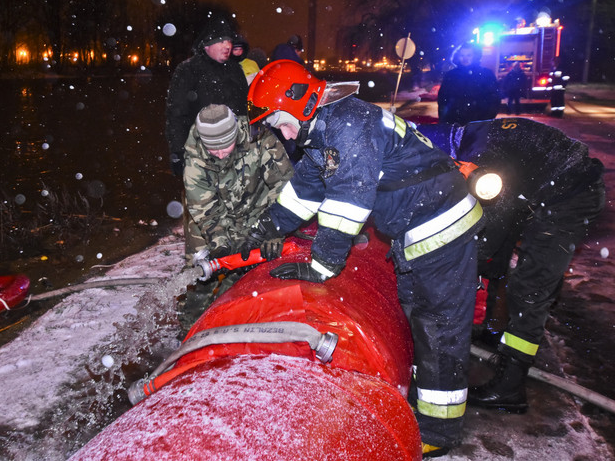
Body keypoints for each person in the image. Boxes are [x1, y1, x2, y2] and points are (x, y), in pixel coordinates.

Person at [241, 60, 484, 457]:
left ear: (300, 105)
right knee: (420, 319)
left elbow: (347, 205)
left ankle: (439, 432)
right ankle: (426, 398)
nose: (282, 133)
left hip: (441, 226)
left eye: (280, 122)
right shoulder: (325, 129)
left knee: (438, 326)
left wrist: (322, 265)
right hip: (417, 226)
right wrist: (265, 228)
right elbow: (303, 191)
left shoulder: (348, 125)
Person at [416, 118, 605, 414]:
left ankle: (510, 387)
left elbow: (488, 230)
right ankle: (494, 330)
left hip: (569, 198)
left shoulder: (486, 158)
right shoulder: (475, 134)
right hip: (537, 188)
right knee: (500, 256)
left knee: (529, 290)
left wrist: (454, 267)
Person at [183, 104, 293, 263]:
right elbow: (205, 210)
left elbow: (284, 185)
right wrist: (220, 245)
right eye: (213, 149)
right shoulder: (195, 161)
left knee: (265, 269)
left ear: (235, 136)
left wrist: (275, 229)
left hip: (259, 214)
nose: (220, 155)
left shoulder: (260, 139)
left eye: (226, 146)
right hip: (214, 221)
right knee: (201, 269)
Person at [165, 17, 249, 176]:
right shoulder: (188, 70)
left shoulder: (235, 70)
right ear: (206, 44)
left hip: (233, 155)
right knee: (202, 199)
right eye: (221, 41)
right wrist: (178, 152)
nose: (227, 45)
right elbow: (176, 114)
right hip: (199, 155)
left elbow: (245, 111)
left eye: (229, 41)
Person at [437, 42, 500, 125]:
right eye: (462, 55)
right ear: (458, 56)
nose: (465, 58)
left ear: (475, 56)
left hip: (478, 123)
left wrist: (486, 120)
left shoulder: (486, 74)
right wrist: (445, 120)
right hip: (454, 122)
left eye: (469, 55)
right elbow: (443, 98)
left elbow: (494, 99)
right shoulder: (451, 75)